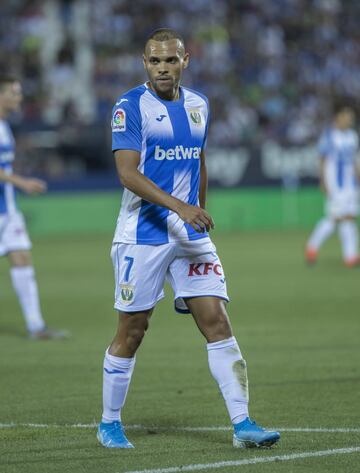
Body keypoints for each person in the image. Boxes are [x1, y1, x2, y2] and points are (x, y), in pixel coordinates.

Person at [97, 29, 280, 449]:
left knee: (216, 321)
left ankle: (243, 424)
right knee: (133, 330)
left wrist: (198, 206)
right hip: (142, 235)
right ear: (145, 63)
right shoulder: (129, 107)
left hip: (189, 235)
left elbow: (198, 157)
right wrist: (179, 207)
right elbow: (127, 173)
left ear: (186, 61)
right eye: (155, 61)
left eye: (171, 61)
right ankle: (109, 423)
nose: (163, 68)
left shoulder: (199, 105)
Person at [0, 74, 68, 339]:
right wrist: (21, 181)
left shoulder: (5, 126)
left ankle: (35, 326)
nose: (19, 98)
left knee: (22, 259)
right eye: (14, 93)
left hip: (9, 211)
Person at [305, 104, 359, 266]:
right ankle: (312, 246)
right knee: (335, 218)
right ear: (338, 117)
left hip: (351, 185)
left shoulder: (352, 136)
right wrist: (323, 181)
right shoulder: (329, 136)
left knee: (349, 217)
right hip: (336, 185)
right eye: (346, 116)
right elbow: (322, 160)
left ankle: (350, 256)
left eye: (351, 117)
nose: (349, 120)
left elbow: (355, 161)